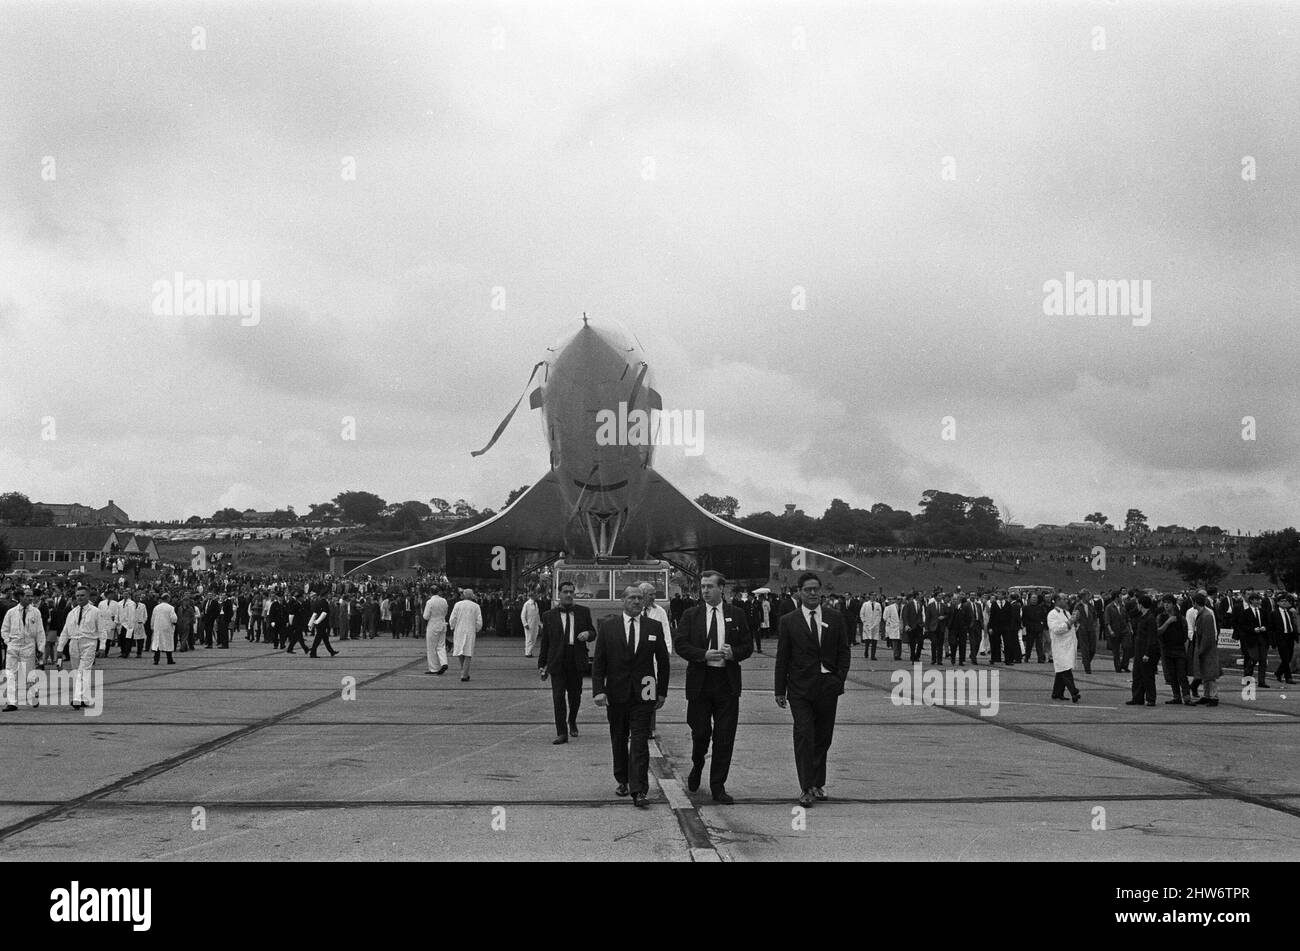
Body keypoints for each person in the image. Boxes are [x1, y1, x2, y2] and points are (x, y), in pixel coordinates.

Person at [673, 570, 752, 804]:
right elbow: (681, 645)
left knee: (724, 737)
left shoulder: (736, 614)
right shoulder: (691, 614)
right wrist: (702, 654)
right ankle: (698, 764)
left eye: (709, 586)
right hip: (701, 681)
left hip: (726, 683)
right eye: (703, 587)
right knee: (701, 733)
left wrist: (733, 653)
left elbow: (747, 645)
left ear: (721, 589)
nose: (705, 591)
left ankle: (718, 785)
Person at [774, 572, 850, 807]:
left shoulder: (835, 618)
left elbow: (843, 652)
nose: (813, 593)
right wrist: (780, 689)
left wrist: (838, 679)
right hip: (800, 689)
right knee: (805, 735)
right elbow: (783, 657)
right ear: (799, 592)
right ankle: (806, 787)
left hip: (827, 686)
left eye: (816, 589)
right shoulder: (789, 621)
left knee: (823, 737)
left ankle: (818, 783)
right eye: (808, 589)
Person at [592, 586, 669, 808]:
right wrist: (599, 690)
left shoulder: (653, 627)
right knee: (618, 738)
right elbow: (600, 662)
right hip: (616, 694)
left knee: (639, 741)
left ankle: (639, 790)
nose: (636, 601)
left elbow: (663, 662)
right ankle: (622, 779)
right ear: (623, 600)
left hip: (644, 694)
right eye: (632, 598)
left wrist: (661, 691)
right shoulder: (608, 627)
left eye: (639, 598)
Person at [538, 581, 594, 743]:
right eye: (565, 592)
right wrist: (542, 665)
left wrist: (587, 635)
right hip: (557, 660)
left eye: (571, 592)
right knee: (558, 697)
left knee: (575, 696)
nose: (569, 595)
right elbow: (545, 642)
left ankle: (572, 720)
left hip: (576, 658)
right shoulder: (549, 616)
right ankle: (561, 732)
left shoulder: (583, 612)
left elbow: (593, 632)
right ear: (559, 594)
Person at [55, 586, 101, 710]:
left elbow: (102, 630)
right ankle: (84, 698)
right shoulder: (72, 612)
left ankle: (76, 699)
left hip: (89, 643)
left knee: (82, 671)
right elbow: (65, 631)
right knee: (77, 673)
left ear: (88, 596)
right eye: (78, 596)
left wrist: (102, 646)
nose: (79, 598)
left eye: (82, 595)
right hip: (74, 643)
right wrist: (60, 649)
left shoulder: (95, 611)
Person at [2, 587, 45, 711]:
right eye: (27, 596)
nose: (30, 598)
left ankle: (33, 694)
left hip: (29, 645)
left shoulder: (35, 612)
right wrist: (7, 641)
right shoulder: (11, 612)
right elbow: (4, 629)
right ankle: (12, 702)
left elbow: (40, 631)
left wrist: (40, 647)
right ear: (20, 597)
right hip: (13, 645)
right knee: (10, 674)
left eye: (31, 596)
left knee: (29, 674)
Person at [1125, 594, 1159, 706]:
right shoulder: (1142, 617)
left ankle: (1151, 698)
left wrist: (1147, 653)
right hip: (1138, 650)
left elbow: (1151, 637)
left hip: (1145, 652)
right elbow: (1130, 614)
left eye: (1138, 604)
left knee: (1148, 676)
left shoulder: (1150, 618)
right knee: (1137, 675)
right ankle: (1137, 697)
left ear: (1141, 605)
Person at [1157, 596, 1192, 704]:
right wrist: (1168, 622)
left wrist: (1185, 650)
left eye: (1168, 603)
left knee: (1182, 674)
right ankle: (1176, 696)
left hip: (1179, 649)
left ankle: (1186, 697)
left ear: (1173, 604)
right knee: (1172, 675)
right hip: (1167, 648)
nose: (1166, 605)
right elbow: (1158, 632)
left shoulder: (1180, 618)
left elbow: (1185, 635)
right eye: (1164, 603)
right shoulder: (1161, 617)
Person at [1047, 592, 1081, 702]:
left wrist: (1075, 622)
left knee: (1062, 669)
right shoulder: (1052, 614)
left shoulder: (1066, 612)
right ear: (1057, 601)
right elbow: (1056, 630)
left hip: (1068, 645)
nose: (1066, 601)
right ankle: (1074, 691)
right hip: (1060, 646)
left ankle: (1057, 693)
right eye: (1063, 599)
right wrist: (1070, 621)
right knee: (1065, 669)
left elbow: (1071, 628)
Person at [1191, 593, 1221, 706]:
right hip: (1204, 648)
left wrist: (1201, 650)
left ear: (1195, 602)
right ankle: (1207, 695)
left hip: (1207, 650)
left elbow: (1207, 636)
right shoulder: (1203, 614)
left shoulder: (1206, 615)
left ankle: (1213, 697)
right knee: (1205, 674)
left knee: (1210, 674)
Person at [448, 589, 483, 681]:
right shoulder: (476, 606)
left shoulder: (458, 605)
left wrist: (453, 626)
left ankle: (464, 672)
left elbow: (452, 618)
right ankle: (464, 673)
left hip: (459, 630)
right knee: (468, 653)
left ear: (463, 595)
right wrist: (476, 628)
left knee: (460, 651)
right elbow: (479, 621)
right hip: (470, 630)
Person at [1270, 594, 1298, 686]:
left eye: (1286, 601)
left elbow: (1293, 625)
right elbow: (1272, 629)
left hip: (1289, 637)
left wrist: (1295, 636)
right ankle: (1288, 677)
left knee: (1289, 657)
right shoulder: (1274, 613)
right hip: (1281, 638)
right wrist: (1273, 642)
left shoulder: (1289, 612)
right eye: (1282, 601)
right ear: (1278, 603)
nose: (1284, 602)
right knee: (1285, 658)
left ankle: (1278, 672)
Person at [422, 586, 450, 675]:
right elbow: (446, 612)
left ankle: (433, 668)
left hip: (433, 625)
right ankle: (444, 663)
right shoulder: (444, 601)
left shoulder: (430, 602)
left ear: (430, 592)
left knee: (431, 648)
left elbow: (425, 616)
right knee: (441, 646)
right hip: (442, 623)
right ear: (438, 592)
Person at [1072, 588, 1099, 674]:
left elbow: (1095, 616)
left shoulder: (1091, 606)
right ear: (1083, 596)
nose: (1089, 597)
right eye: (1088, 595)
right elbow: (1074, 617)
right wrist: (1077, 625)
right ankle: (1087, 667)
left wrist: (1095, 624)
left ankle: (1086, 660)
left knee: (1092, 649)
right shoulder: (1078, 606)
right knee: (1085, 649)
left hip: (1091, 629)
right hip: (1082, 629)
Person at [307, 590, 338, 658]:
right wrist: (317, 621)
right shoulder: (324, 602)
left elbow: (315, 614)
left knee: (325, 639)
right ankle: (312, 653)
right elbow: (324, 613)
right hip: (322, 624)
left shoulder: (317, 602)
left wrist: (311, 623)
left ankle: (331, 651)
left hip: (319, 623)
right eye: (328, 594)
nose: (329, 595)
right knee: (317, 640)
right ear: (326, 595)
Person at [150, 592, 178, 665]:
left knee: (157, 644)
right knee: (168, 643)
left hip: (158, 628)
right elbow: (174, 618)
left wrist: (152, 626)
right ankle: (169, 660)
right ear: (167, 599)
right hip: (167, 628)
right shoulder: (171, 608)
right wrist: (175, 623)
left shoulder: (156, 607)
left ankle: (156, 660)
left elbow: (153, 618)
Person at [860, 595, 883, 660]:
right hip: (867, 624)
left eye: (874, 596)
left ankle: (873, 655)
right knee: (867, 640)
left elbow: (879, 615)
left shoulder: (878, 605)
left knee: (874, 640)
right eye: (872, 596)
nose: (873, 597)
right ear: (870, 597)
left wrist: (876, 623)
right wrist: (864, 621)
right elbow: (861, 614)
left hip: (875, 625)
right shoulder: (865, 604)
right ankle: (866, 651)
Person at [521, 590, 541, 658]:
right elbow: (523, 615)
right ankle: (528, 652)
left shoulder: (536, 604)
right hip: (529, 624)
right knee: (529, 638)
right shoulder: (527, 604)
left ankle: (530, 651)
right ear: (532, 596)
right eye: (536, 595)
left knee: (534, 638)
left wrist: (540, 623)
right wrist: (525, 624)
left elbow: (537, 614)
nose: (537, 596)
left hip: (535, 624)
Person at [883, 594, 902, 660]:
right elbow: (885, 617)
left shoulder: (903, 607)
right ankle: (895, 655)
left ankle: (899, 655)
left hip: (900, 626)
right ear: (895, 600)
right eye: (898, 599)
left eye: (901, 599)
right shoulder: (890, 607)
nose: (900, 601)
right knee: (895, 641)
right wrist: (890, 623)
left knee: (900, 641)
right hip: (893, 626)